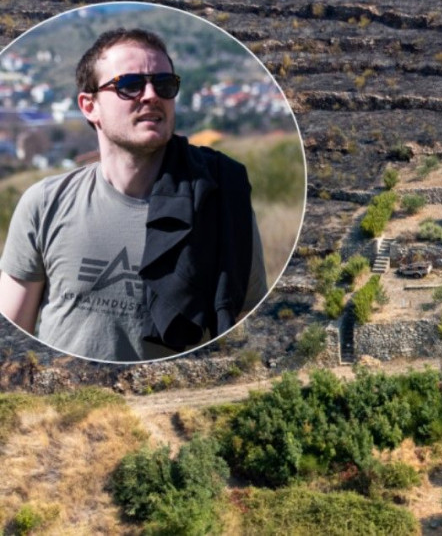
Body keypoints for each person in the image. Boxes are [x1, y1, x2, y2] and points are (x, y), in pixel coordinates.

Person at [0, 28, 267, 362]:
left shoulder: (219, 201)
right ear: (89, 106)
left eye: (164, 84)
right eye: (130, 85)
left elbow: (246, 330)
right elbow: (9, 343)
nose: (152, 95)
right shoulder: (44, 204)